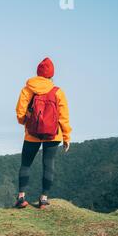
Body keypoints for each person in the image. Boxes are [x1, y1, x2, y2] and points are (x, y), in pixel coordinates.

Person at [14, 57, 72, 209]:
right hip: (53, 134)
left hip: (32, 133)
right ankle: (43, 199)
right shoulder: (58, 92)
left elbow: (20, 111)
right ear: (51, 75)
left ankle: (21, 197)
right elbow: (63, 117)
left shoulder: (27, 89)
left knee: (26, 164)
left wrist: (25, 122)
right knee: (48, 165)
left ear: (38, 73)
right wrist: (66, 137)